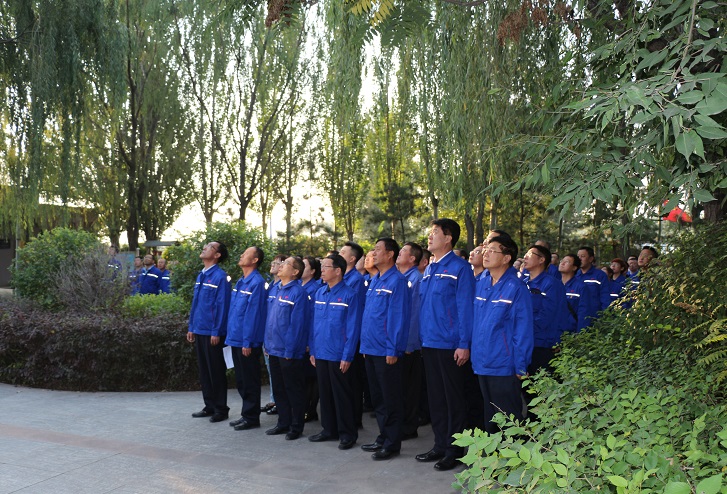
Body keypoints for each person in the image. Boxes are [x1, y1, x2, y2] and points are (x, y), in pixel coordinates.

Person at [417, 218, 476, 472]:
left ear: (448, 238)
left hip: (450, 345)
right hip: (430, 342)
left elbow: (465, 307)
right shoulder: (430, 268)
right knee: (436, 399)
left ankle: (455, 450)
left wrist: (464, 343)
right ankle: (439, 445)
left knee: (453, 400)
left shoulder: (460, 268)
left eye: (435, 232)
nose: (430, 237)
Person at [472, 236, 533, 433]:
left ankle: (511, 454)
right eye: (486, 249)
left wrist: (520, 365)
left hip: (504, 365)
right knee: (490, 419)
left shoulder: (516, 288)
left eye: (492, 250)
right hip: (482, 362)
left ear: (507, 258)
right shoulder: (482, 283)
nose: (486, 254)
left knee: (507, 420)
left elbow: (522, 330)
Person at [359, 238, 410, 461]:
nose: (374, 253)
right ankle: (383, 436)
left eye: (378, 249)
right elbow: (370, 316)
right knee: (378, 398)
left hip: (385, 350)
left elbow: (398, 318)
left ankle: (392, 443)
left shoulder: (397, 281)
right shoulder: (376, 280)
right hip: (371, 348)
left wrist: (393, 349)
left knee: (390, 399)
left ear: (390, 254)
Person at [308, 254, 361, 450]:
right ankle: (328, 429)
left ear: (338, 271)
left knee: (342, 395)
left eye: (326, 267)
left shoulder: (350, 295)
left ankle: (347, 434)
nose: (322, 270)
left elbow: (353, 328)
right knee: (325, 393)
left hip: (339, 354)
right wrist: (313, 350)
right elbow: (313, 324)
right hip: (321, 352)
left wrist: (347, 355)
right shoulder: (320, 293)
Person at [264, 256, 310, 440]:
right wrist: (267, 344)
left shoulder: (298, 292)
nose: (281, 265)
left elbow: (297, 325)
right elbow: (271, 320)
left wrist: (290, 350)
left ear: (295, 272)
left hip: (288, 351)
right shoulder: (277, 289)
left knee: (293, 390)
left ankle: (296, 426)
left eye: (286, 264)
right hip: (273, 348)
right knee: (279, 389)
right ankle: (283, 422)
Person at [188, 241, 232, 423]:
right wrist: (191, 327)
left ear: (217, 255)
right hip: (199, 329)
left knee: (216, 370)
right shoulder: (202, 275)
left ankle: (221, 409)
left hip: (212, 332)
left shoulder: (220, 277)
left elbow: (222, 306)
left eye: (210, 247)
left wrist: (217, 331)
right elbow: (196, 303)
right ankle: (209, 405)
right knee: (204, 371)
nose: (205, 247)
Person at [225, 246, 267, 431]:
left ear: (255, 260)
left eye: (246, 254)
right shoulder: (241, 281)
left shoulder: (257, 283)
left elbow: (253, 315)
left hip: (246, 341)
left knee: (250, 380)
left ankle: (251, 417)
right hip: (236, 338)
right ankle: (246, 414)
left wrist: (248, 341)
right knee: (241, 380)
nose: (241, 255)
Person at [521, 244, 567, 375]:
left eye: (530, 254)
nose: (525, 257)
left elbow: (547, 315)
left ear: (541, 260)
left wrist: (525, 329)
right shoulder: (523, 283)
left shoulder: (551, 284)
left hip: (542, 343)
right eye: (526, 254)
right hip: (524, 341)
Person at [396, 241, 424, 441]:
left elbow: (414, 315)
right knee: (400, 387)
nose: (399, 253)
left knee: (409, 389)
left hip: (409, 345)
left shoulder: (416, 279)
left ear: (412, 258)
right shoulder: (401, 278)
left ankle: (409, 427)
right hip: (398, 342)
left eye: (404, 251)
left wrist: (409, 343)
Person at [263, 254, 287, 416]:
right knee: (271, 370)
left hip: (279, 339)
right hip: (269, 335)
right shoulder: (271, 286)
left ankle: (280, 404)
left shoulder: (284, 288)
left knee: (280, 374)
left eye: (277, 263)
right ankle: (274, 400)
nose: (273, 265)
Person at [301, 256, 321, 423]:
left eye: (305, 265)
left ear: (313, 271)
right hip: (299, 339)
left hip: (309, 340)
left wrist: (309, 342)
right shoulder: (298, 287)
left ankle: (310, 409)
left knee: (311, 378)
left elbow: (313, 318)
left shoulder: (314, 289)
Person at [575, 247, 611, 331]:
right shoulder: (575, 275)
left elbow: (605, 297)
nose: (579, 259)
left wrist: (604, 317)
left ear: (591, 259)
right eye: (578, 256)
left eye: (583, 256)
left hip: (593, 318)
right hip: (576, 318)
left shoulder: (600, 275)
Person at [559, 254, 582, 334]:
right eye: (562, 261)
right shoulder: (554, 285)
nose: (562, 263)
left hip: (571, 332)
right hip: (555, 332)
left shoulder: (581, 287)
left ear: (574, 268)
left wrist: (580, 334)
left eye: (567, 262)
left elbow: (583, 312)